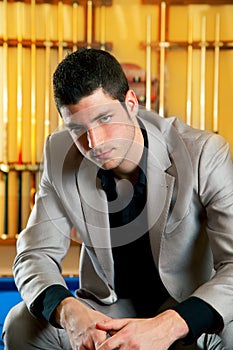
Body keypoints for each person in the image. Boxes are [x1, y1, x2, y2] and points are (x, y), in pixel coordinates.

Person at [2, 47, 233, 350]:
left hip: (188, 309)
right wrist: (69, 312)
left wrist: (169, 325)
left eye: (105, 118)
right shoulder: (59, 153)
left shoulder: (204, 153)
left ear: (131, 103)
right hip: (110, 310)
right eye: (77, 129)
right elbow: (35, 254)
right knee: (21, 325)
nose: (94, 142)